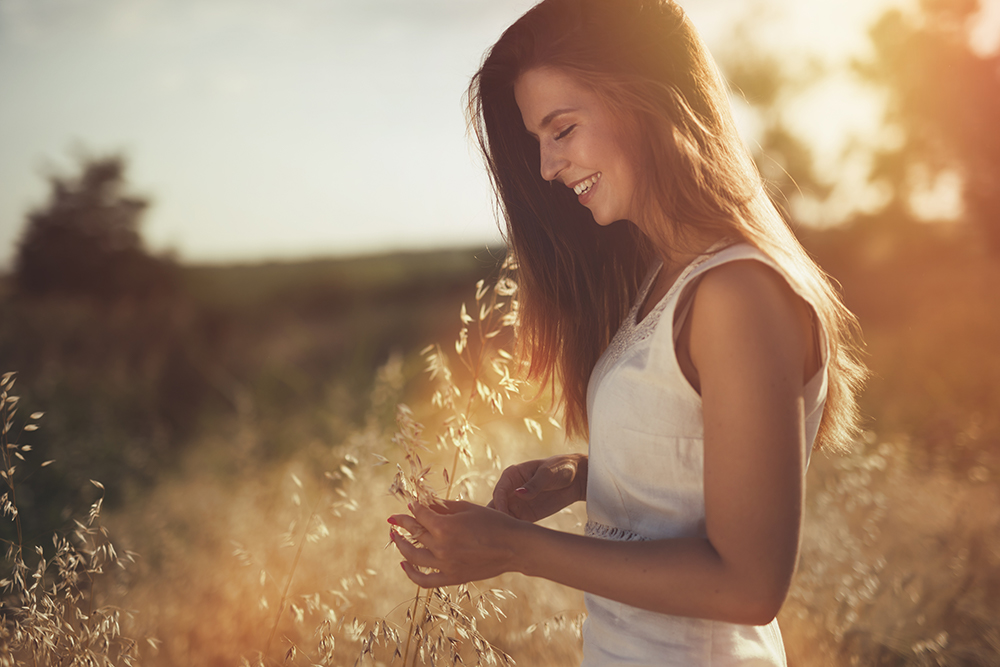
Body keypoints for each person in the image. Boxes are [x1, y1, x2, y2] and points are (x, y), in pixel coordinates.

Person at [387, 0, 868, 664]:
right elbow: (695, 469)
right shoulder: (664, 279)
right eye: (537, 141)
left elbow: (750, 585)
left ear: (649, 99)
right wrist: (590, 478)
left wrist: (513, 547)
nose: (549, 167)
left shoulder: (735, 293)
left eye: (563, 129)